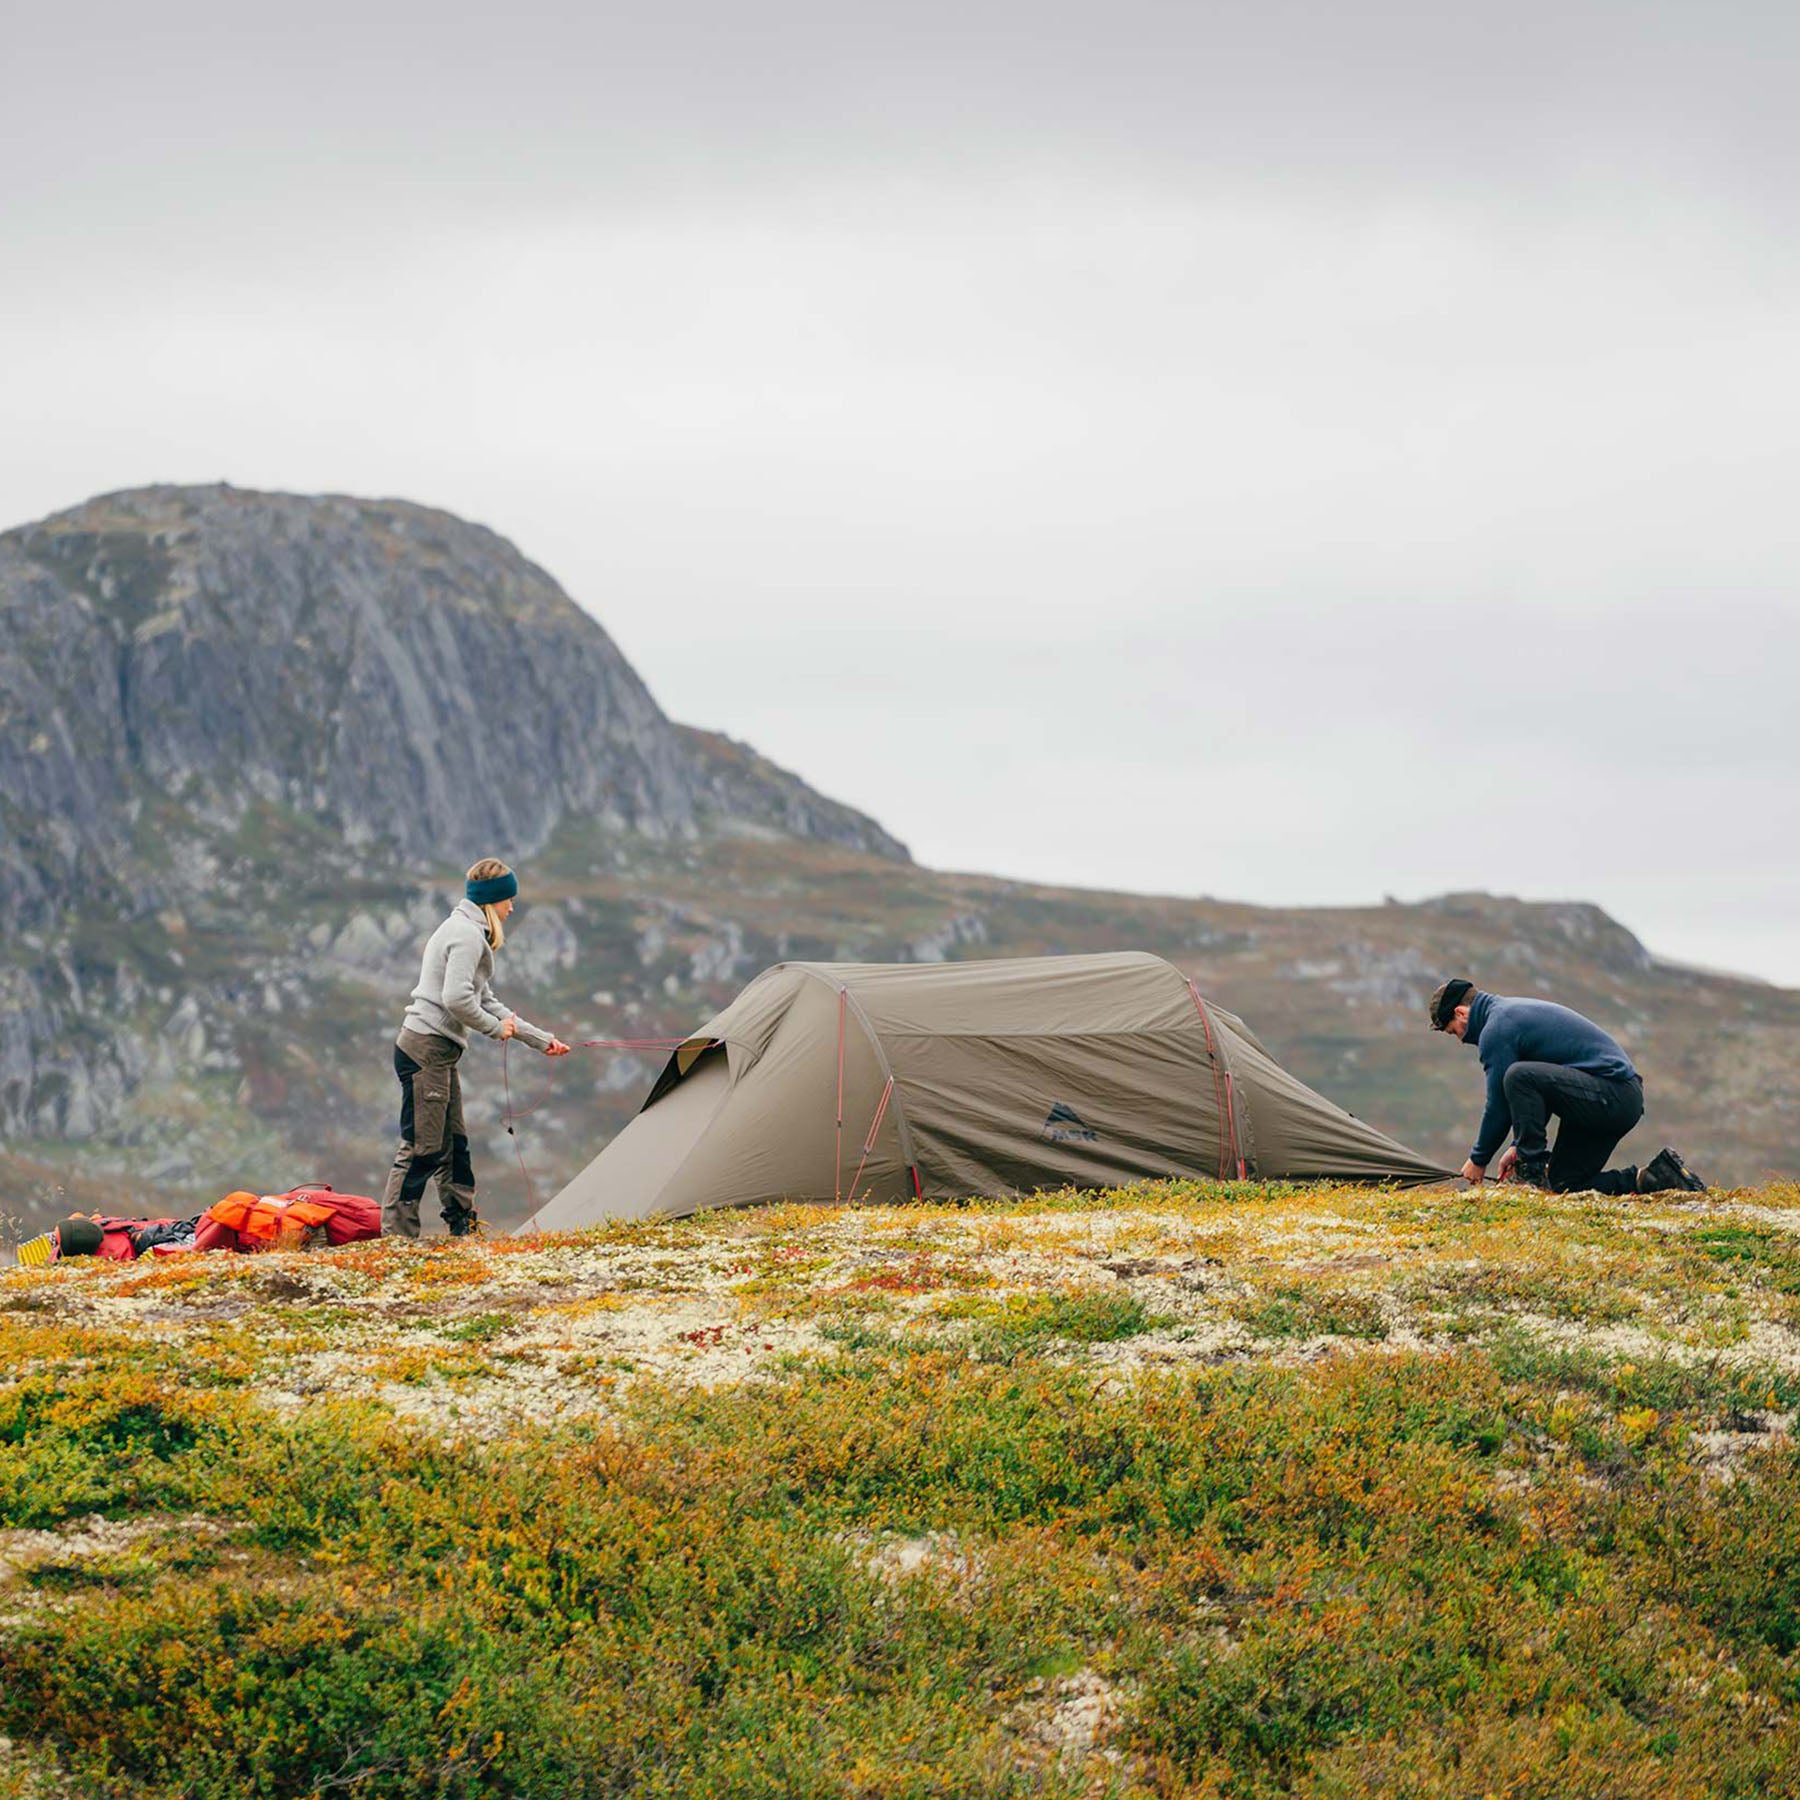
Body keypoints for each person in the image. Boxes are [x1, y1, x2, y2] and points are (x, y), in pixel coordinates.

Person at [381, 858, 570, 1238]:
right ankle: (397, 1239)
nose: (512, 907)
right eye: (508, 900)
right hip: (426, 1050)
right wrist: (494, 1030)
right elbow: (456, 999)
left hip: (437, 1051)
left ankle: (463, 1231)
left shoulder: (466, 930)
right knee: (423, 1148)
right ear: (492, 901)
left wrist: (540, 1039)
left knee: (453, 1147)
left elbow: (486, 999)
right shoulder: (466, 936)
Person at [1428, 977, 1706, 1194]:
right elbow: (1543, 1089)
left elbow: (1500, 1102)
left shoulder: (1497, 1028)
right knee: (1563, 1184)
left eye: (1454, 1032)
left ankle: (1531, 1174)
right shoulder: (1508, 1014)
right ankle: (1657, 1177)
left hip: (1613, 1093)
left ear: (1461, 1013)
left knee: (1517, 1076)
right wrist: (1517, 1145)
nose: (1460, 1040)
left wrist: (1478, 1159)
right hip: (1609, 1099)